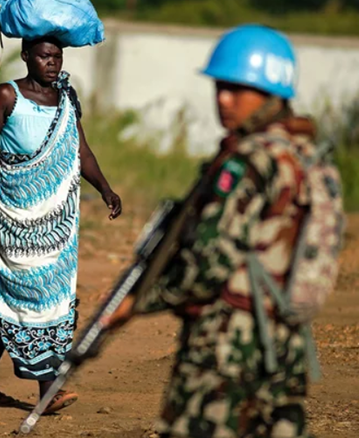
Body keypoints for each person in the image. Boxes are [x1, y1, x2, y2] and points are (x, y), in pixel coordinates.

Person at [105, 25, 319, 438]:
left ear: (271, 93)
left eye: (237, 89)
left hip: (226, 344)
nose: (223, 99)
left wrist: (139, 301)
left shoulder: (248, 162)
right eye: (220, 87)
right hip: (283, 342)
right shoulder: (301, 154)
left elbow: (209, 262)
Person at [0, 36, 123, 414]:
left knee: (22, 298)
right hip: (12, 217)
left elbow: (80, 151)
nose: (52, 62)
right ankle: (48, 389)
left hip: (57, 219)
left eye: (57, 56)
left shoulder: (68, 100)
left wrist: (105, 189)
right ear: (26, 57)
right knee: (37, 294)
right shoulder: (7, 96)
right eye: (44, 55)